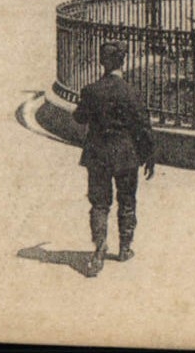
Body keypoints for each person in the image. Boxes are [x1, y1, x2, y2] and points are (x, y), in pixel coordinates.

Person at [73, 40, 155, 276]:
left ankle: (99, 248)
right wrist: (149, 155)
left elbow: (79, 117)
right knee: (127, 200)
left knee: (99, 203)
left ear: (102, 62)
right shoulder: (131, 92)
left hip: (97, 154)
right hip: (126, 155)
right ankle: (125, 248)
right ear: (123, 61)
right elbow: (143, 127)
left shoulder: (91, 91)